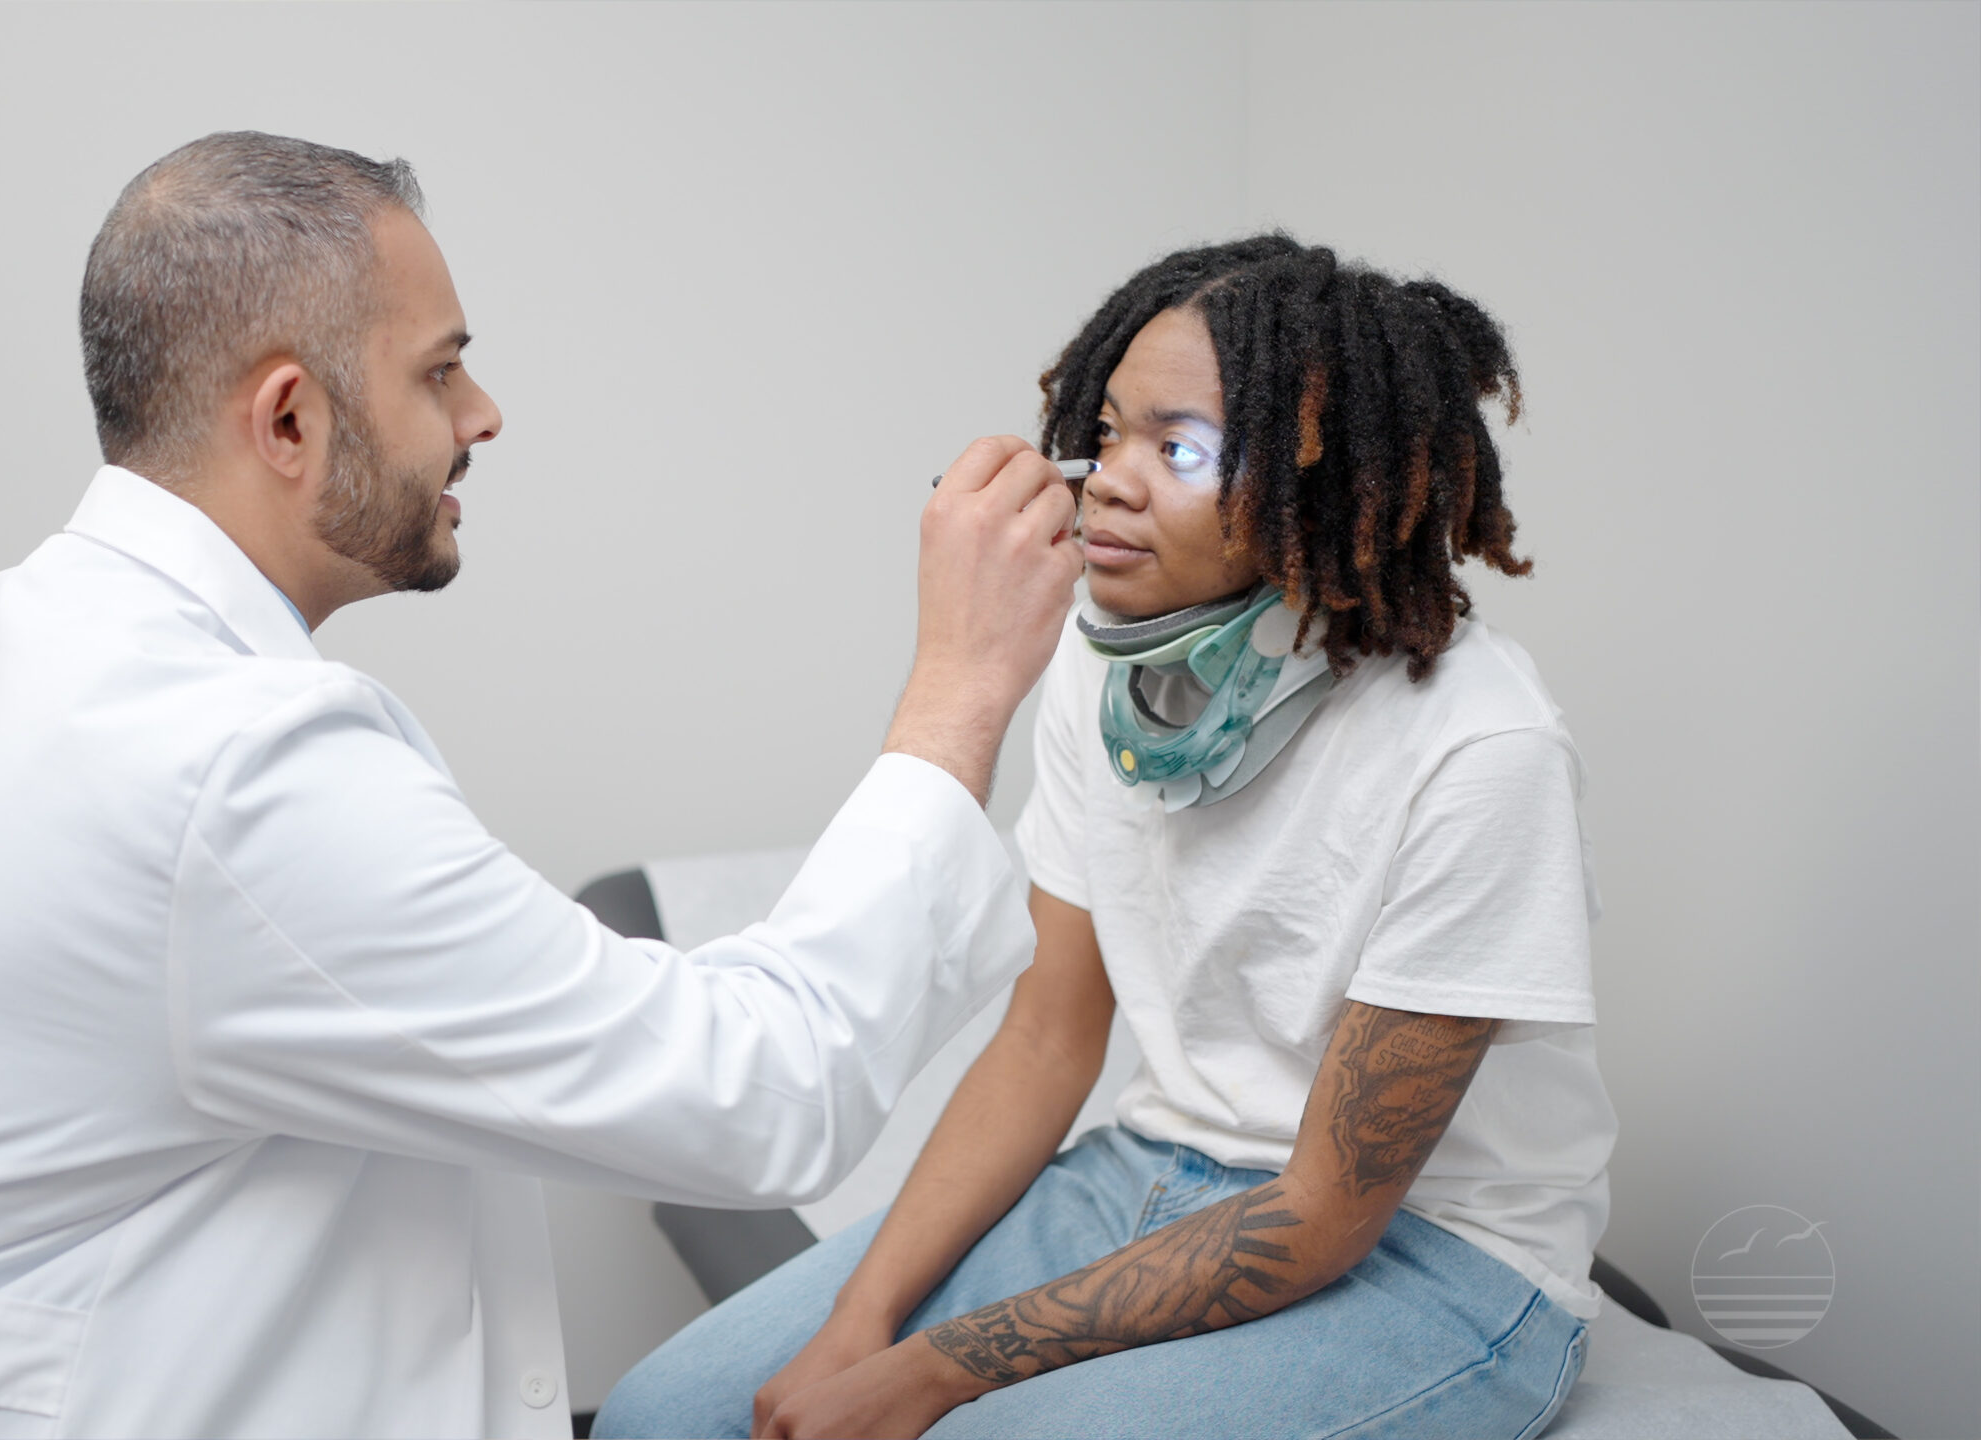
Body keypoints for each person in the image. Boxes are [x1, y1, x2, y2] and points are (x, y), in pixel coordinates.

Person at [0, 133, 1085, 1439]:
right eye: (443, 372)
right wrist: (959, 690)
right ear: (290, 418)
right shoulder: (230, 768)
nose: (483, 419)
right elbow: (758, 1092)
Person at [596, 235, 1617, 1440]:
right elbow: (1042, 1040)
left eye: (1178, 448)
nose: (1108, 481)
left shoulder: (1477, 746)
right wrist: (856, 1326)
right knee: (662, 1414)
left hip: (1433, 1254)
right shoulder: (1100, 663)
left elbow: (1328, 1209)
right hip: (1146, 1167)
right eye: (1110, 431)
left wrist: (935, 1371)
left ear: (1323, 481)